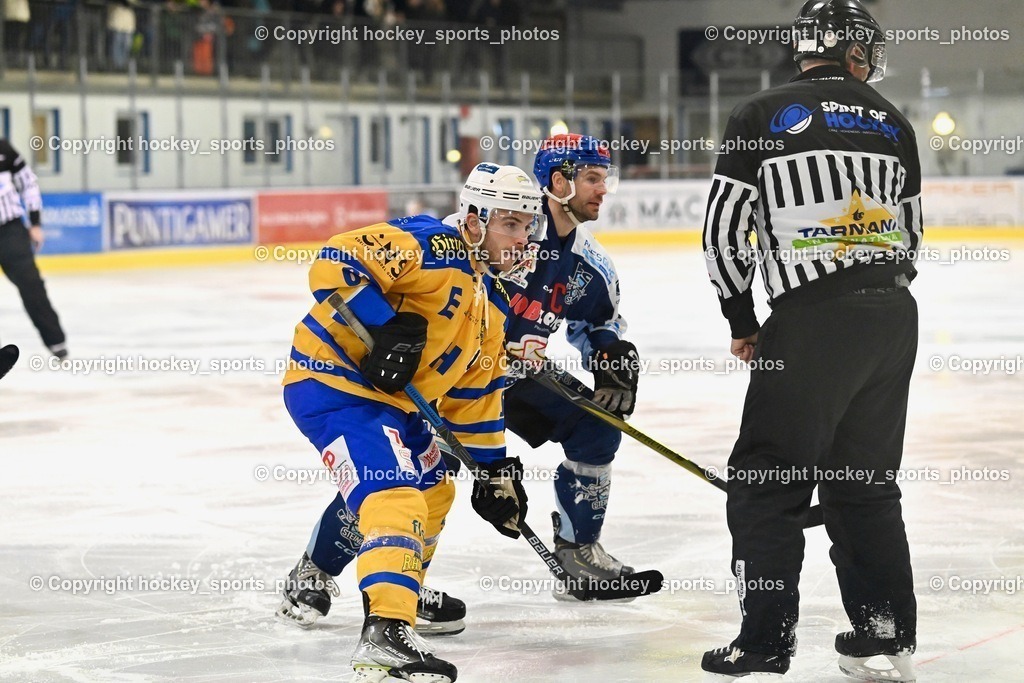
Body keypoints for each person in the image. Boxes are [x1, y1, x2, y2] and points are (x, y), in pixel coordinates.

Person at [699, 1, 922, 680]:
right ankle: (884, 627)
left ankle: (765, 638)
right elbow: (911, 236)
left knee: (767, 479)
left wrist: (742, 320)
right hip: (892, 317)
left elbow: (722, 232)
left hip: (811, 318)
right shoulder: (894, 120)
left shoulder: (760, 114)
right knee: (865, 482)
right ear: (855, 51)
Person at [278, 162, 542, 682]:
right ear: (474, 219)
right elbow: (335, 261)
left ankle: (402, 585)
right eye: (510, 223)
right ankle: (385, 633)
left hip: (391, 403)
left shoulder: (492, 303)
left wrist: (494, 471)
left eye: (527, 226)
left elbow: (473, 397)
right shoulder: (434, 244)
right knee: (393, 493)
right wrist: (386, 324)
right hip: (333, 383)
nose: (522, 237)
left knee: (435, 489)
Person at [500, 132, 650, 596]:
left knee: (597, 426)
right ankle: (317, 571)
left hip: (515, 375)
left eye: (605, 178)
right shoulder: (505, 232)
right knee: (410, 472)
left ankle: (578, 553)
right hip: (448, 376)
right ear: (558, 181)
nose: (602, 190)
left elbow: (598, 321)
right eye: (591, 178)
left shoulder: (588, 264)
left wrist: (610, 356)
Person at [0, 138, 68, 359]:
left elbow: (28, 183)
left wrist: (35, 222)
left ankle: (55, 341)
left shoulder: (3, 149)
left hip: (9, 229)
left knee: (32, 286)